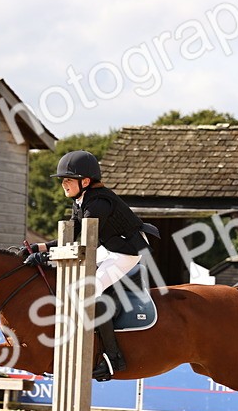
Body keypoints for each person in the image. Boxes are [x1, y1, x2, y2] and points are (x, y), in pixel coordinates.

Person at [25, 150, 149, 380]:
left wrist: (47, 257)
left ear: (85, 181)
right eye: (63, 180)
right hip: (108, 247)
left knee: (88, 291)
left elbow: (82, 242)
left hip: (126, 251)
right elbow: (69, 236)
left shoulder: (98, 203)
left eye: (68, 180)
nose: (63, 184)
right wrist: (38, 248)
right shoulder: (81, 201)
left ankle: (113, 357)